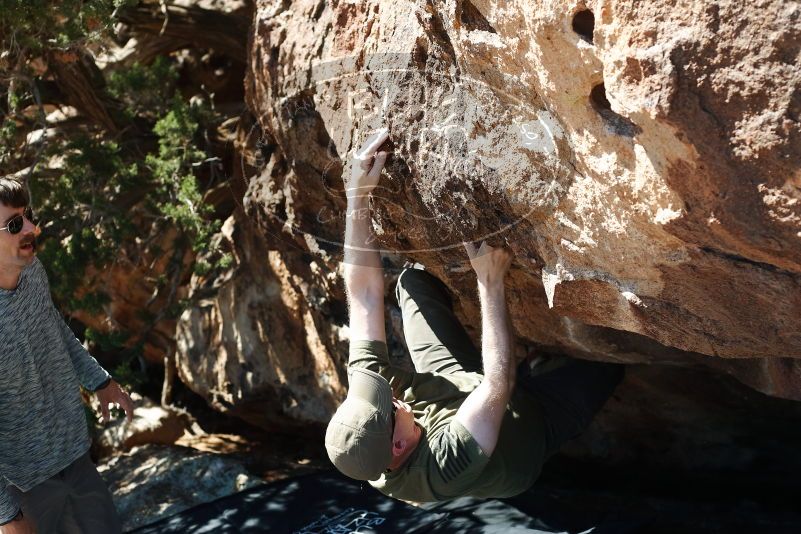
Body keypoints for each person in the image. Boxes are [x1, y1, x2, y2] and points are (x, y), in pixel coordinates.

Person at [324, 129, 624, 502]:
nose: (393, 399)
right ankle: (541, 374)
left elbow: (365, 295)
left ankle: (532, 363)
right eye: (391, 410)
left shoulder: (370, 406)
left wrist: (357, 196)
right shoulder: (440, 469)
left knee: (414, 282)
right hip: (526, 434)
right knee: (609, 363)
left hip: (455, 381)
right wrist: (489, 282)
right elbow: (498, 384)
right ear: (399, 446)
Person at [0, 178, 134, 534]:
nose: (32, 228)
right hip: (24, 487)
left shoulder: (33, 271)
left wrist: (99, 381)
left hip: (74, 454)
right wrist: (7, 515)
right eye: (15, 224)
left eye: (28, 216)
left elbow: (54, 329)